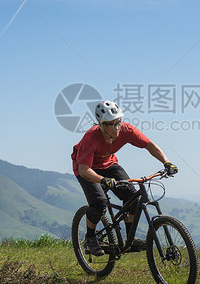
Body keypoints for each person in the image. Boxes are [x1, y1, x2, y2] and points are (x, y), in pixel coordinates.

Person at [71, 100, 178, 256]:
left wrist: (166, 162)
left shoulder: (127, 130)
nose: (117, 127)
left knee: (133, 198)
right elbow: (84, 169)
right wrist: (102, 180)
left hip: (109, 165)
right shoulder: (91, 138)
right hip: (86, 169)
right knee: (99, 203)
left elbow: (149, 145)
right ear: (101, 124)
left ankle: (130, 238)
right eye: (111, 124)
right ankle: (90, 237)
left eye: (118, 122)